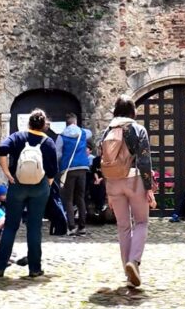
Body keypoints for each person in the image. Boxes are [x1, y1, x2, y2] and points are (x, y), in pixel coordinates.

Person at [0, 108, 59, 278]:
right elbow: (53, 170)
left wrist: (7, 172)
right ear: (43, 125)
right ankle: (34, 268)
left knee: (11, 226)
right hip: (39, 187)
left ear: (29, 122)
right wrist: (47, 185)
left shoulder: (17, 137)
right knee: (34, 227)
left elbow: (2, 148)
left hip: (17, 185)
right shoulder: (48, 142)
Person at [99, 96, 155, 289]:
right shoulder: (138, 129)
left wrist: (108, 188)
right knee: (141, 222)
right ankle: (134, 262)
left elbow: (102, 159)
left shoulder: (108, 130)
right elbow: (145, 160)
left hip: (114, 181)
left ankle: (127, 271)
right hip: (135, 179)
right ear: (133, 111)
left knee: (123, 226)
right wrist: (149, 187)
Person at [59, 113, 92, 236]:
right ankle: (82, 227)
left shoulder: (61, 136)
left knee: (68, 199)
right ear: (75, 121)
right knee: (80, 197)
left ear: (66, 123)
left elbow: (58, 154)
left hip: (68, 169)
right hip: (82, 167)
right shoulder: (83, 133)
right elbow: (90, 133)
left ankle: (71, 227)